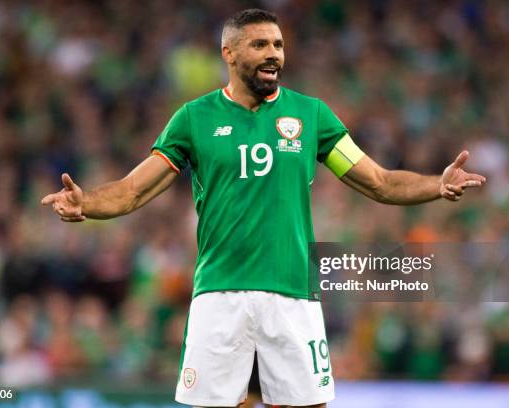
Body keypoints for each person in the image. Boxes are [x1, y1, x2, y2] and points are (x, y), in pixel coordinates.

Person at [41, 8, 485, 407]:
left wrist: (436, 184)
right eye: (260, 45)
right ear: (229, 54)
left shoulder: (311, 116)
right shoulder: (194, 119)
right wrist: (89, 203)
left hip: (293, 292)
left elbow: (380, 182)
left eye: (278, 44)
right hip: (219, 293)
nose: (273, 54)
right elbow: (133, 190)